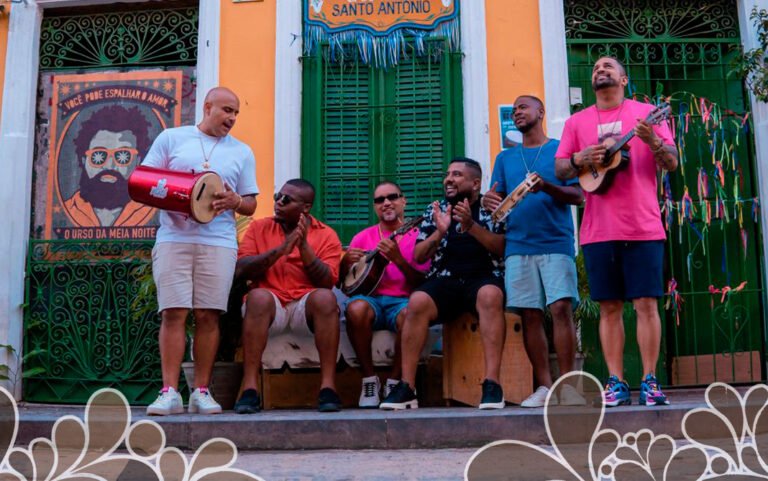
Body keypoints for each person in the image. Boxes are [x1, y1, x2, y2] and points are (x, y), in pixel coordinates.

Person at [554, 57, 678, 407]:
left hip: (643, 225)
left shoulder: (647, 112)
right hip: (597, 230)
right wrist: (581, 159)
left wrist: (652, 140)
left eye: (607, 66)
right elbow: (561, 167)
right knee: (609, 307)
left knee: (646, 304)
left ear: (624, 78)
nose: (600, 71)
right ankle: (616, 382)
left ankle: (650, 381)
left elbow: (671, 161)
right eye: (595, 68)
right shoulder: (577, 122)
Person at [143, 87, 258, 415]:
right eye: (226, 110)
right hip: (173, 239)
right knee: (173, 312)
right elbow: (146, 180)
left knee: (209, 314)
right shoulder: (172, 138)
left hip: (218, 242)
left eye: (236, 113)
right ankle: (168, 392)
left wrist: (236, 201)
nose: (232, 118)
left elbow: (251, 203)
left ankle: (201, 391)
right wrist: (179, 196)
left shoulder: (241, 152)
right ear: (207, 107)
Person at [380, 158, 507, 410]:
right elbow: (418, 256)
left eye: (457, 175)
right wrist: (440, 231)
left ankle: (492, 384)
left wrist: (470, 226)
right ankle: (407, 387)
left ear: (475, 183)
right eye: (448, 174)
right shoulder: (435, 210)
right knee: (417, 301)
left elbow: (501, 248)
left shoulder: (492, 208)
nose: (448, 179)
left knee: (490, 296)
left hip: (482, 278)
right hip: (445, 280)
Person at [483, 95, 585, 408]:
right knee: (530, 314)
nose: (516, 113)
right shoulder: (504, 159)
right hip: (517, 246)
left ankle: (568, 387)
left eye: (522, 107)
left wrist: (548, 187)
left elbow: (579, 196)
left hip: (555, 242)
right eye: (513, 110)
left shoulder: (560, 151)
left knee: (560, 310)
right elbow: (496, 202)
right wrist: (490, 201)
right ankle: (544, 387)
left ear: (541, 111)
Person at [234, 179, 343, 414]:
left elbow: (327, 283)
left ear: (305, 208)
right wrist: (280, 250)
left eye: (287, 199)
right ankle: (251, 389)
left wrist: (304, 248)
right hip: (272, 307)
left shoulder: (326, 235)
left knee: (325, 298)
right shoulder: (259, 228)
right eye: (277, 196)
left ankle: (328, 388)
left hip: (304, 307)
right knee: (258, 297)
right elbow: (241, 269)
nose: (278, 202)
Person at [341, 181, 429, 408]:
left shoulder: (418, 236)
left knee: (410, 313)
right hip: (371, 300)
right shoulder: (363, 237)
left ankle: (395, 381)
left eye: (392, 197)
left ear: (403, 201)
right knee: (355, 308)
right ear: (374, 206)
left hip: (403, 300)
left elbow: (423, 283)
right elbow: (347, 285)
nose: (386, 203)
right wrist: (344, 263)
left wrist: (398, 259)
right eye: (379, 200)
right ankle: (369, 380)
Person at [66, 105, 155, 227]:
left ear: (138, 161)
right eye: (98, 156)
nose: (109, 165)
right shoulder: (69, 208)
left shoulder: (150, 208)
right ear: (83, 160)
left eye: (123, 156)